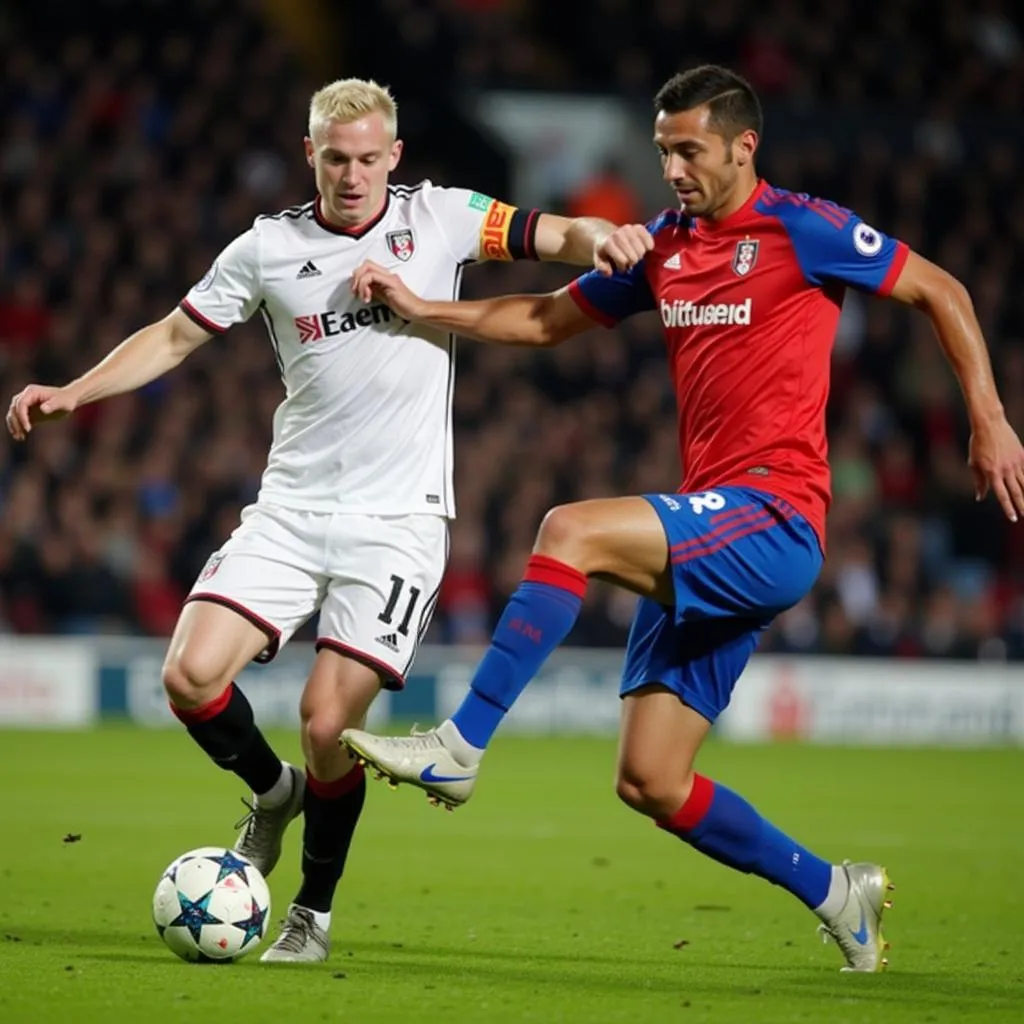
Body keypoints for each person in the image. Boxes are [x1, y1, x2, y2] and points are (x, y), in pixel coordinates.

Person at [341, 65, 1024, 973]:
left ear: (745, 146)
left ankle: (459, 746)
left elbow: (944, 290)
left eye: (689, 150)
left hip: (775, 515)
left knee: (568, 529)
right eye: (663, 150)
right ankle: (835, 891)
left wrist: (988, 416)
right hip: (716, 525)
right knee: (651, 780)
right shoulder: (663, 246)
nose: (672, 168)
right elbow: (547, 322)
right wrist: (429, 309)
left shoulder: (803, 229)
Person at [5, 78, 652, 964]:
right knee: (190, 677)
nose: (352, 175)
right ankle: (272, 795)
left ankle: (311, 912)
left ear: (394, 156)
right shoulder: (268, 247)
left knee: (324, 725)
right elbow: (172, 334)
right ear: (312, 155)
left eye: (367, 159)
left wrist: (602, 234)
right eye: (335, 158)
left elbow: (552, 234)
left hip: (398, 523)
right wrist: (75, 390)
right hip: (292, 506)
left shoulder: (445, 217)